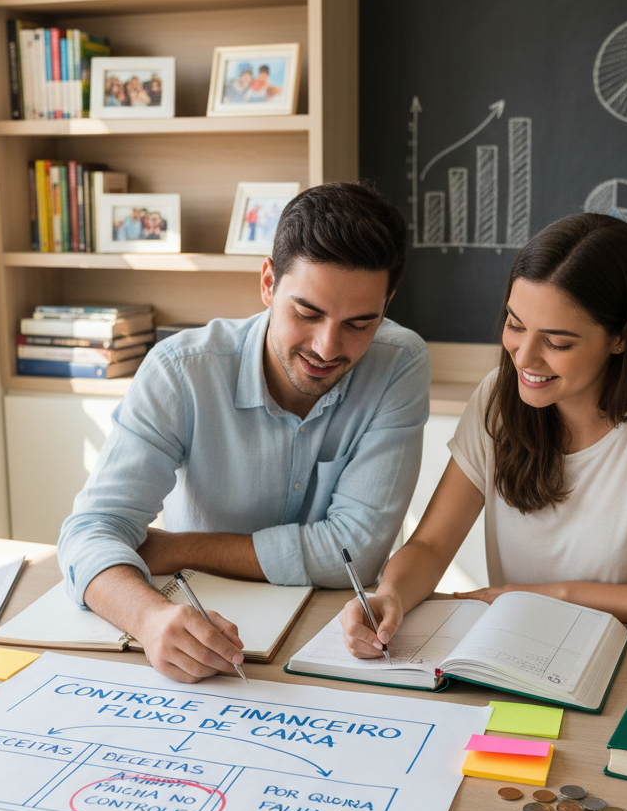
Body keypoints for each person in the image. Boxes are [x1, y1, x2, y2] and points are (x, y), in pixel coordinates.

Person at [341, 212, 627, 660]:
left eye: (557, 343)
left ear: (621, 337)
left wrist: (559, 596)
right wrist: (391, 594)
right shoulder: (497, 402)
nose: (525, 357)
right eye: (515, 325)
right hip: (519, 659)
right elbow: (431, 544)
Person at [58, 182, 432, 683]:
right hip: (199, 630)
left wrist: (179, 547)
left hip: (337, 645)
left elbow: (357, 551)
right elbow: (89, 533)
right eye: (308, 313)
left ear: (385, 307)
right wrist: (148, 619)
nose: (327, 346)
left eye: (360, 323)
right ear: (267, 283)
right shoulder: (180, 370)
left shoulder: (400, 363)